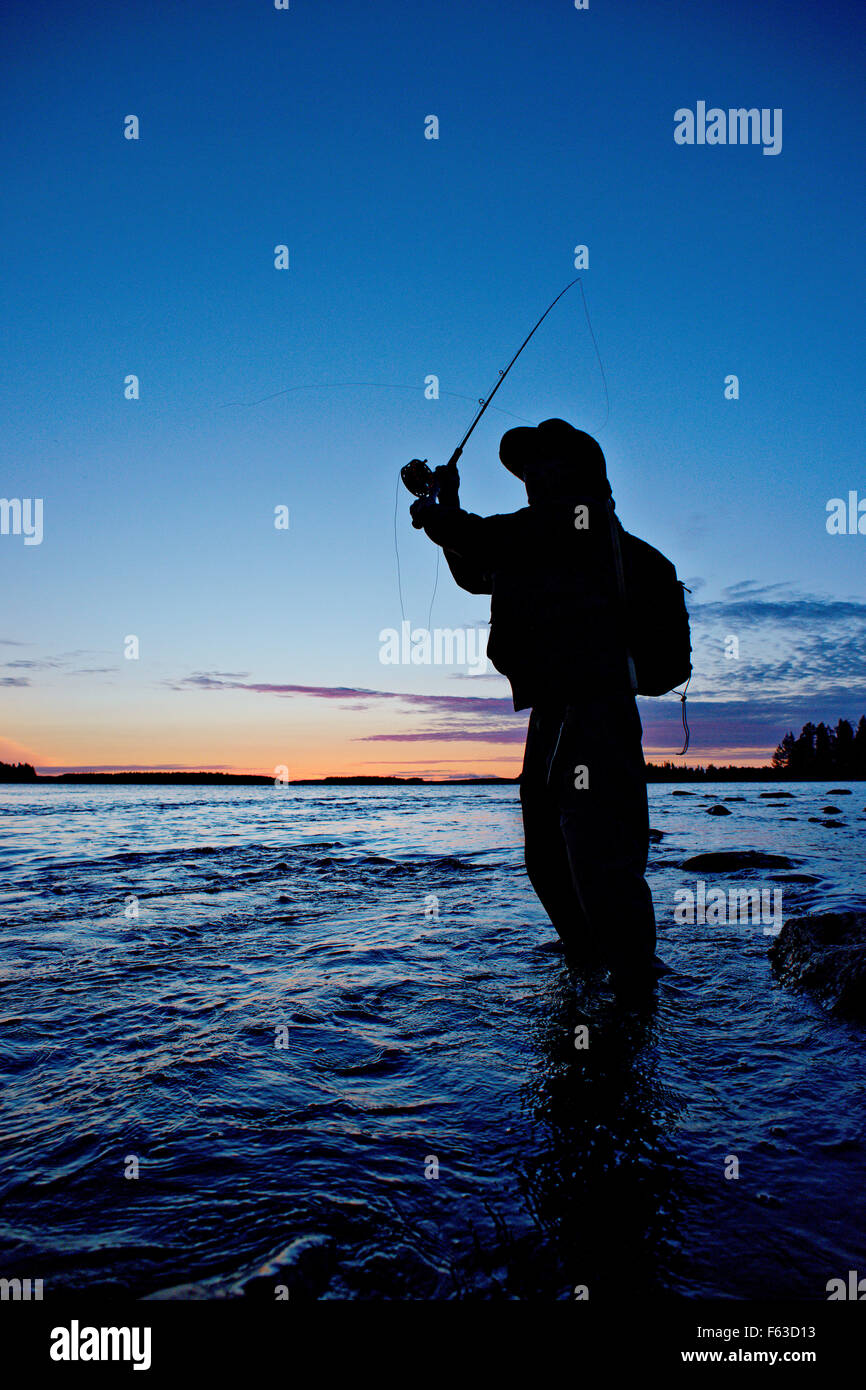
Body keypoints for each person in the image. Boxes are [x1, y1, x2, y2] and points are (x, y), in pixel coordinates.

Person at [409, 418, 658, 992]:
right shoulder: (539, 535)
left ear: (575, 467)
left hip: (596, 711)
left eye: (541, 462)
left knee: (599, 858)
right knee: (546, 858)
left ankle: (634, 993)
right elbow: (476, 571)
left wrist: (438, 515)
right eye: (526, 467)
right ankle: (588, 970)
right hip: (551, 712)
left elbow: (491, 539)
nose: (529, 475)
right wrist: (447, 507)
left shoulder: (582, 519)